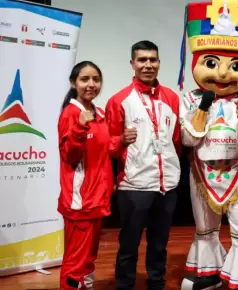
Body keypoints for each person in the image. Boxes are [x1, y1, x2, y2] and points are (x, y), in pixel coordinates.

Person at [177, 1, 238, 289]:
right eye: (211, 63)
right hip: (201, 171)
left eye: (234, 66)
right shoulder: (191, 98)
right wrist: (203, 109)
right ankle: (208, 273)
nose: (221, 74)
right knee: (205, 228)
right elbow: (188, 139)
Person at [105, 40, 182, 290]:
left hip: (167, 184)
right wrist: (120, 140)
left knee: (159, 244)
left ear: (159, 63)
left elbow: (177, 140)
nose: (148, 65)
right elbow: (110, 145)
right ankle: (125, 286)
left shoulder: (171, 97)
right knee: (129, 245)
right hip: (134, 184)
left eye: (153, 60)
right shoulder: (120, 100)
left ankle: (156, 284)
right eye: (142, 60)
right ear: (132, 64)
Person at [58, 61, 136, 290]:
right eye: (84, 79)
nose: (91, 84)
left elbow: (105, 148)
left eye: (96, 79)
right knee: (76, 262)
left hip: (98, 199)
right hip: (80, 202)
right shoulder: (71, 114)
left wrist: (121, 140)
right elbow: (70, 156)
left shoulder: (98, 112)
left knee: (89, 258)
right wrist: (80, 128)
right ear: (74, 83)